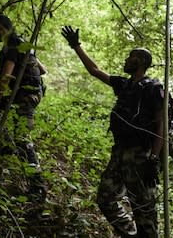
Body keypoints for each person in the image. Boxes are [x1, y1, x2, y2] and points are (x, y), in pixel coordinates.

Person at [61, 25, 164, 238]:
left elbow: (162, 124)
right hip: (119, 152)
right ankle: (131, 234)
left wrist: (154, 157)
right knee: (106, 198)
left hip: (140, 154)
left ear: (141, 62)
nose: (127, 59)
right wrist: (76, 46)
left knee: (144, 208)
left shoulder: (153, 87)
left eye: (131, 57)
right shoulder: (124, 84)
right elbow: (95, 71)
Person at [0, 13, 47, 201]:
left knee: (22, 139)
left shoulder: (12, 45)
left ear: (2, 28)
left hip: (25, 96)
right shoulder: (23, 44)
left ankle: (38, 188)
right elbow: (42, 70)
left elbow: (6, 76)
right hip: (30, 94)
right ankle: (6, 146)